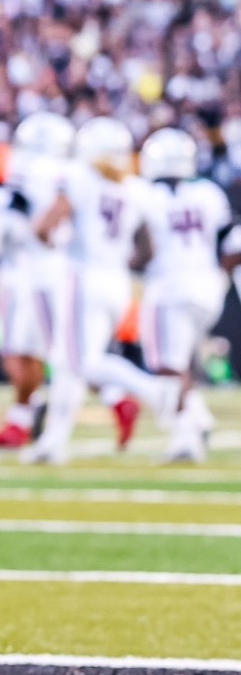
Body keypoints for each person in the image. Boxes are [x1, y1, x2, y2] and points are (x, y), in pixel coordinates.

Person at [30, 118, 172, 462]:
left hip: (85, 276)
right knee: (67, 362)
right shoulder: (135, 188)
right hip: (117, 281)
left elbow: (44, 226)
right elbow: (147, 248)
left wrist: (56, 243)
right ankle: (53, 443)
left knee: (81, 362)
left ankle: (154, 390)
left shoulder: (80, 178)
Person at [0, 112, 74, 449]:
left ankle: (114, 399)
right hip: (60, 272)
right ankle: (22, 418)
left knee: (31, 353)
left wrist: (7, 219)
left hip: (28, 276)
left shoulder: (26, 175)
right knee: (42, 353)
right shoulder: (70, 176)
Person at [132, 128, 224, 463]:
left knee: (168, 366)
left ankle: (187, 434)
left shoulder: (144, 194)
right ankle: (199, 417)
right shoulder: (208, 192)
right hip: (207, 286)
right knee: (182, 362)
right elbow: (231, 239)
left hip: (169, 286)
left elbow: (143, 252)